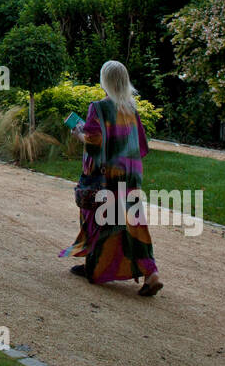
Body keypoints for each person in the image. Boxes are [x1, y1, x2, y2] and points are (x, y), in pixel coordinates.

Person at [60, 60, 163, 297]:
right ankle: (151, 272)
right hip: (131, 174)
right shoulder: (131, 109)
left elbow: (94, 141)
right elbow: (140, 145)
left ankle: (96, 266)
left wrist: (79, 134)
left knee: (98, 219)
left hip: (106, 177)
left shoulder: (99, 107)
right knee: (134, 223)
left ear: (104, 80)